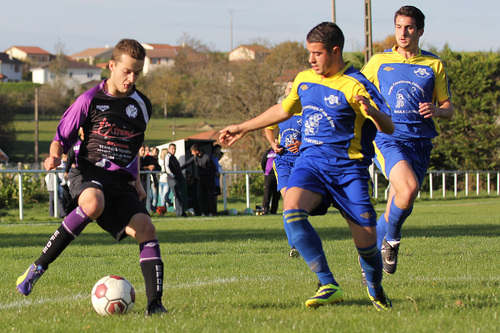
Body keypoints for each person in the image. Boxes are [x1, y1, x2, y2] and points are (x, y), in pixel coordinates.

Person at [219, 22, 395, 311]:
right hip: (310, 164)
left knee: (366, 240)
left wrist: (372, 112)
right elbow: (283, 110)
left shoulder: (357, 84)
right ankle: (328, 283)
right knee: (291, 209)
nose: (311, 59)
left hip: (349, 171)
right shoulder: (304, 79)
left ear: (335, 52)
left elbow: (387, 126)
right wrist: (243, 127)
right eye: (309, 53)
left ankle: (375, 289)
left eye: (317, 53)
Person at [16, 39, 167, 316]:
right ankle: (37, 267)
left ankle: (155, 305)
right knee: (93, 203)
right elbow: (60, 138)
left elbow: (132, 147)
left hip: (121, 181)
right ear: (111, 66)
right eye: (127, 71)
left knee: (146, 228)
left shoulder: (143, 105)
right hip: (88, 171)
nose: (131, 79)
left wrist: (135, 180)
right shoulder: (89, 100)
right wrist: (52, 156)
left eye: (137, 73)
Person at [361, 5, 454, 275]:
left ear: (420, 31)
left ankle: (371, 246)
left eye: (409, 27)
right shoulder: (379, 62)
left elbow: (449, 108)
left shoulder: (433, 64)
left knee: (405, 198)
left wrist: (437, 110)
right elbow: (357, 90)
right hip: (387, 137)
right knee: (409, 188)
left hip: (421, 141)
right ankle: (391, 242)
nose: (403, 32)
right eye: (399, 26)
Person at [263, 79, 302, 258]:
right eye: (289, 89)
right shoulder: (280, 110)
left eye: (295, 88)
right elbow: (268, 128)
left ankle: (302, 239)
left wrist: (303, 144)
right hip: (283, 161)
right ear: (285, 92)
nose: (292, 91)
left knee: (298, 204)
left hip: (303, 162)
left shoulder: (308, 111)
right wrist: (273, 143)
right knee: (288, 201)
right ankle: (294, 245)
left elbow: (318, 134)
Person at [181, 144, 216, 216]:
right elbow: (187, 163)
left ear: (196, 151)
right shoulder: (195, 158)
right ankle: (203, 212)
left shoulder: (207, 157)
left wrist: (210, 179)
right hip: (201, 180)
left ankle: (211, 212)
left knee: (209, 196)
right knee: (200, 196)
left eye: (192, 152)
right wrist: (178, 169)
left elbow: (213, 169)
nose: (192, 154)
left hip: (209, 180)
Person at [164, 143, 187, 217]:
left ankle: (181, 212)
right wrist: (172, 176)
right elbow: (167, 167)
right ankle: (179, 213)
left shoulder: (173, 157)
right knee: (177, 195)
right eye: (172, 149)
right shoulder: (168, 156)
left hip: (177, 178)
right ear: (169, 149)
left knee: (179, 196)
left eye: (174, 149)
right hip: (172, 179)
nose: (173, 150)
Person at [139, 144, 160, 211]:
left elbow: (157, 167)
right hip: (138, 182)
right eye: (142, 150)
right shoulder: (136, 159)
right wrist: (147, 167)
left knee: (145, 198)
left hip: (144, 181)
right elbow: (138, 168)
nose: (143, 152)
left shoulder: (145, 159)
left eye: (144, 150)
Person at [260, 147, 280, 215]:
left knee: (276, 194)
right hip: (269, 175)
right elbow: (263, 162)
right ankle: (265, 210)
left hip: (278, 175)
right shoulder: (268, 152)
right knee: (267, 193)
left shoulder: (281, 151)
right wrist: (266, 171)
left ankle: (274, 211)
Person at [156, 148, 171, 215]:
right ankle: (163, 212)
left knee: (164, 197)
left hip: (166, 181)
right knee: (162, 197)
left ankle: (162, 212)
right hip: (161, 181)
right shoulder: (160, 161)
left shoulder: (168, 160)